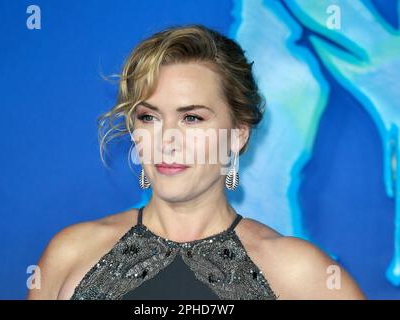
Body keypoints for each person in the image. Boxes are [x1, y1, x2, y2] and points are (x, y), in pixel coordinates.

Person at [27, 24, 366, 300]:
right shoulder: (69, 253)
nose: (166, 140)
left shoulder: (302, 275)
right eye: (149, 117)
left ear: (237, 135)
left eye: (192, 118)